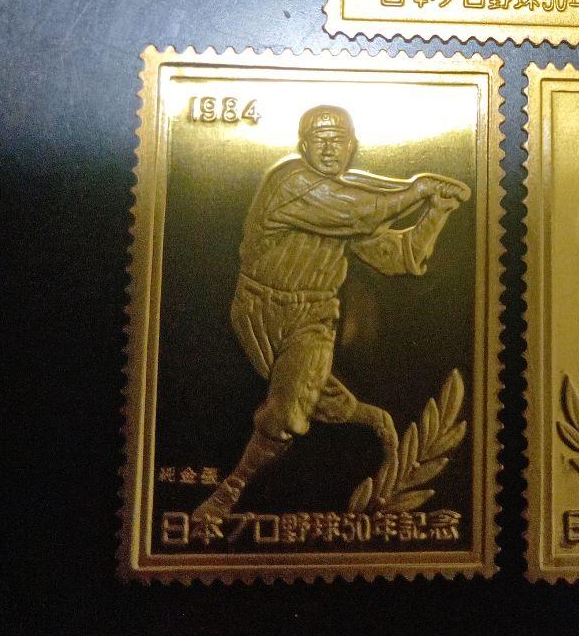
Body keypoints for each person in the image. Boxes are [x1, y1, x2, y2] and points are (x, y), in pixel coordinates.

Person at [194, 105, 470, 519]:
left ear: (352, 146)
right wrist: (418, 190)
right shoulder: (291, 182)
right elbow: (357, 212)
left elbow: (400, 257)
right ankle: (372, 418)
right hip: (256, 310)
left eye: (337, 140)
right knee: (312, 401)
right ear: (303, 146)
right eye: (319, 139)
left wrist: (437, 212)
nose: (328, 148)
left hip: (312, 319)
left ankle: (230, 491)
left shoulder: (349, 203)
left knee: (287, 414)